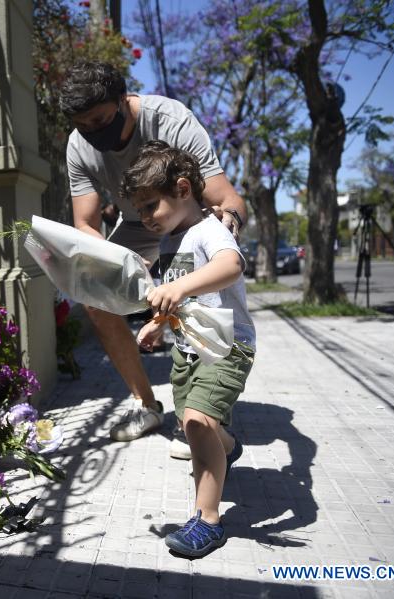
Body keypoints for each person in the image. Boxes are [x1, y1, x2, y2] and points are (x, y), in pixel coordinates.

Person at [59, 60, 247, 454]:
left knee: (197, 293)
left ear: (123, 100)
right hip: (134, 225)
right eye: (83, 125)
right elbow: (85, 224)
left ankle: (208, 410)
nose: (92, 132)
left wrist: (220, 231)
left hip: (183, 218)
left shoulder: (170, 120)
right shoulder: (79, 145)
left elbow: (225, 198)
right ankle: (146, 404)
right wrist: (122, 267)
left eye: (100, 120)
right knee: (94, 296)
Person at [124, 140, 255, 557]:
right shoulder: (168, 242)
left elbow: (230, 266)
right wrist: (157, 324)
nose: (145, 219)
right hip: (188, 349)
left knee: (196, 423)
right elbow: (178, 299)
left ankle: (209, 521)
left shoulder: (208, 230)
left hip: (226, 346)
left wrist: (177, 285)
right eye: (139, 210)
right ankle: (228, 447)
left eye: (150, 207)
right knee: (199, 425)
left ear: (182, 189)